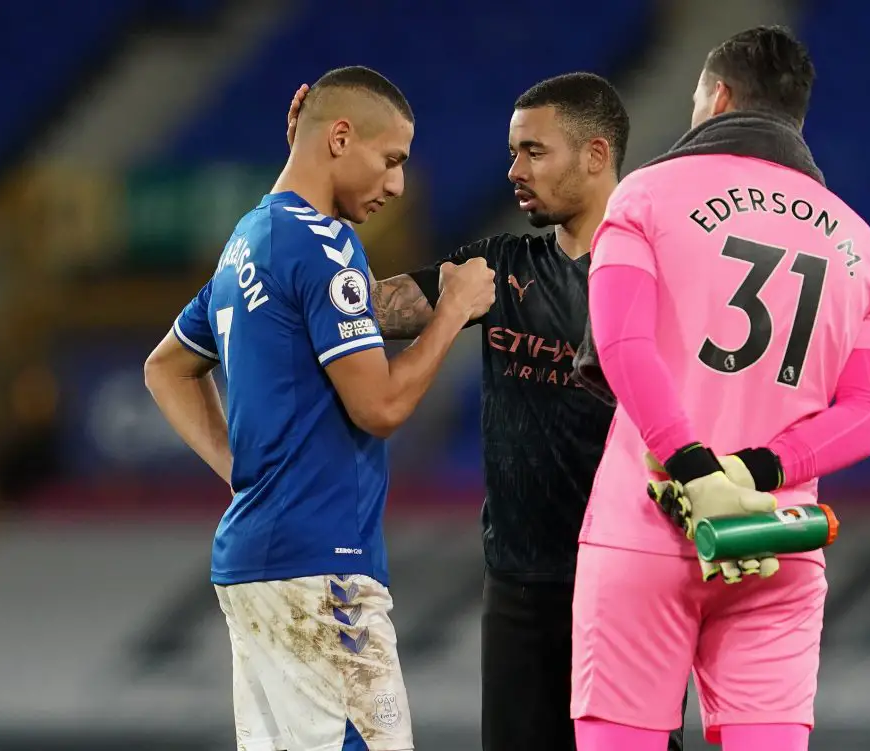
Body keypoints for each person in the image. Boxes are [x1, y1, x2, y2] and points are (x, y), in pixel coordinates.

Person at [282, 72, 685, 751]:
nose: (513, 170)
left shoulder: (661, 270)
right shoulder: (495, 266)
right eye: (512, 151)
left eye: (533, 151)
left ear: (595, 154)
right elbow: (362, 309)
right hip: (520, 588)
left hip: (629, 582)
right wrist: (316, 175)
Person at [569, 26, 870, 751]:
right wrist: (755, 472)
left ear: (717, 98)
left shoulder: (646, 196)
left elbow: (624, 348)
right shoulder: (863, 248)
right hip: (770, 537)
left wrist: (694, 469)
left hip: (647, 527)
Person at [144, 65, 495, 751]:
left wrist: (247, 475)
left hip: (257, 566)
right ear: (339, 137)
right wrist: (452, 312)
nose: (397, 184)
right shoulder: (326, 246)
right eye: (390, 159)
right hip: (322, 571)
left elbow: (167, 367)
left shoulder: (247, 241)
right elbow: (382, 406)